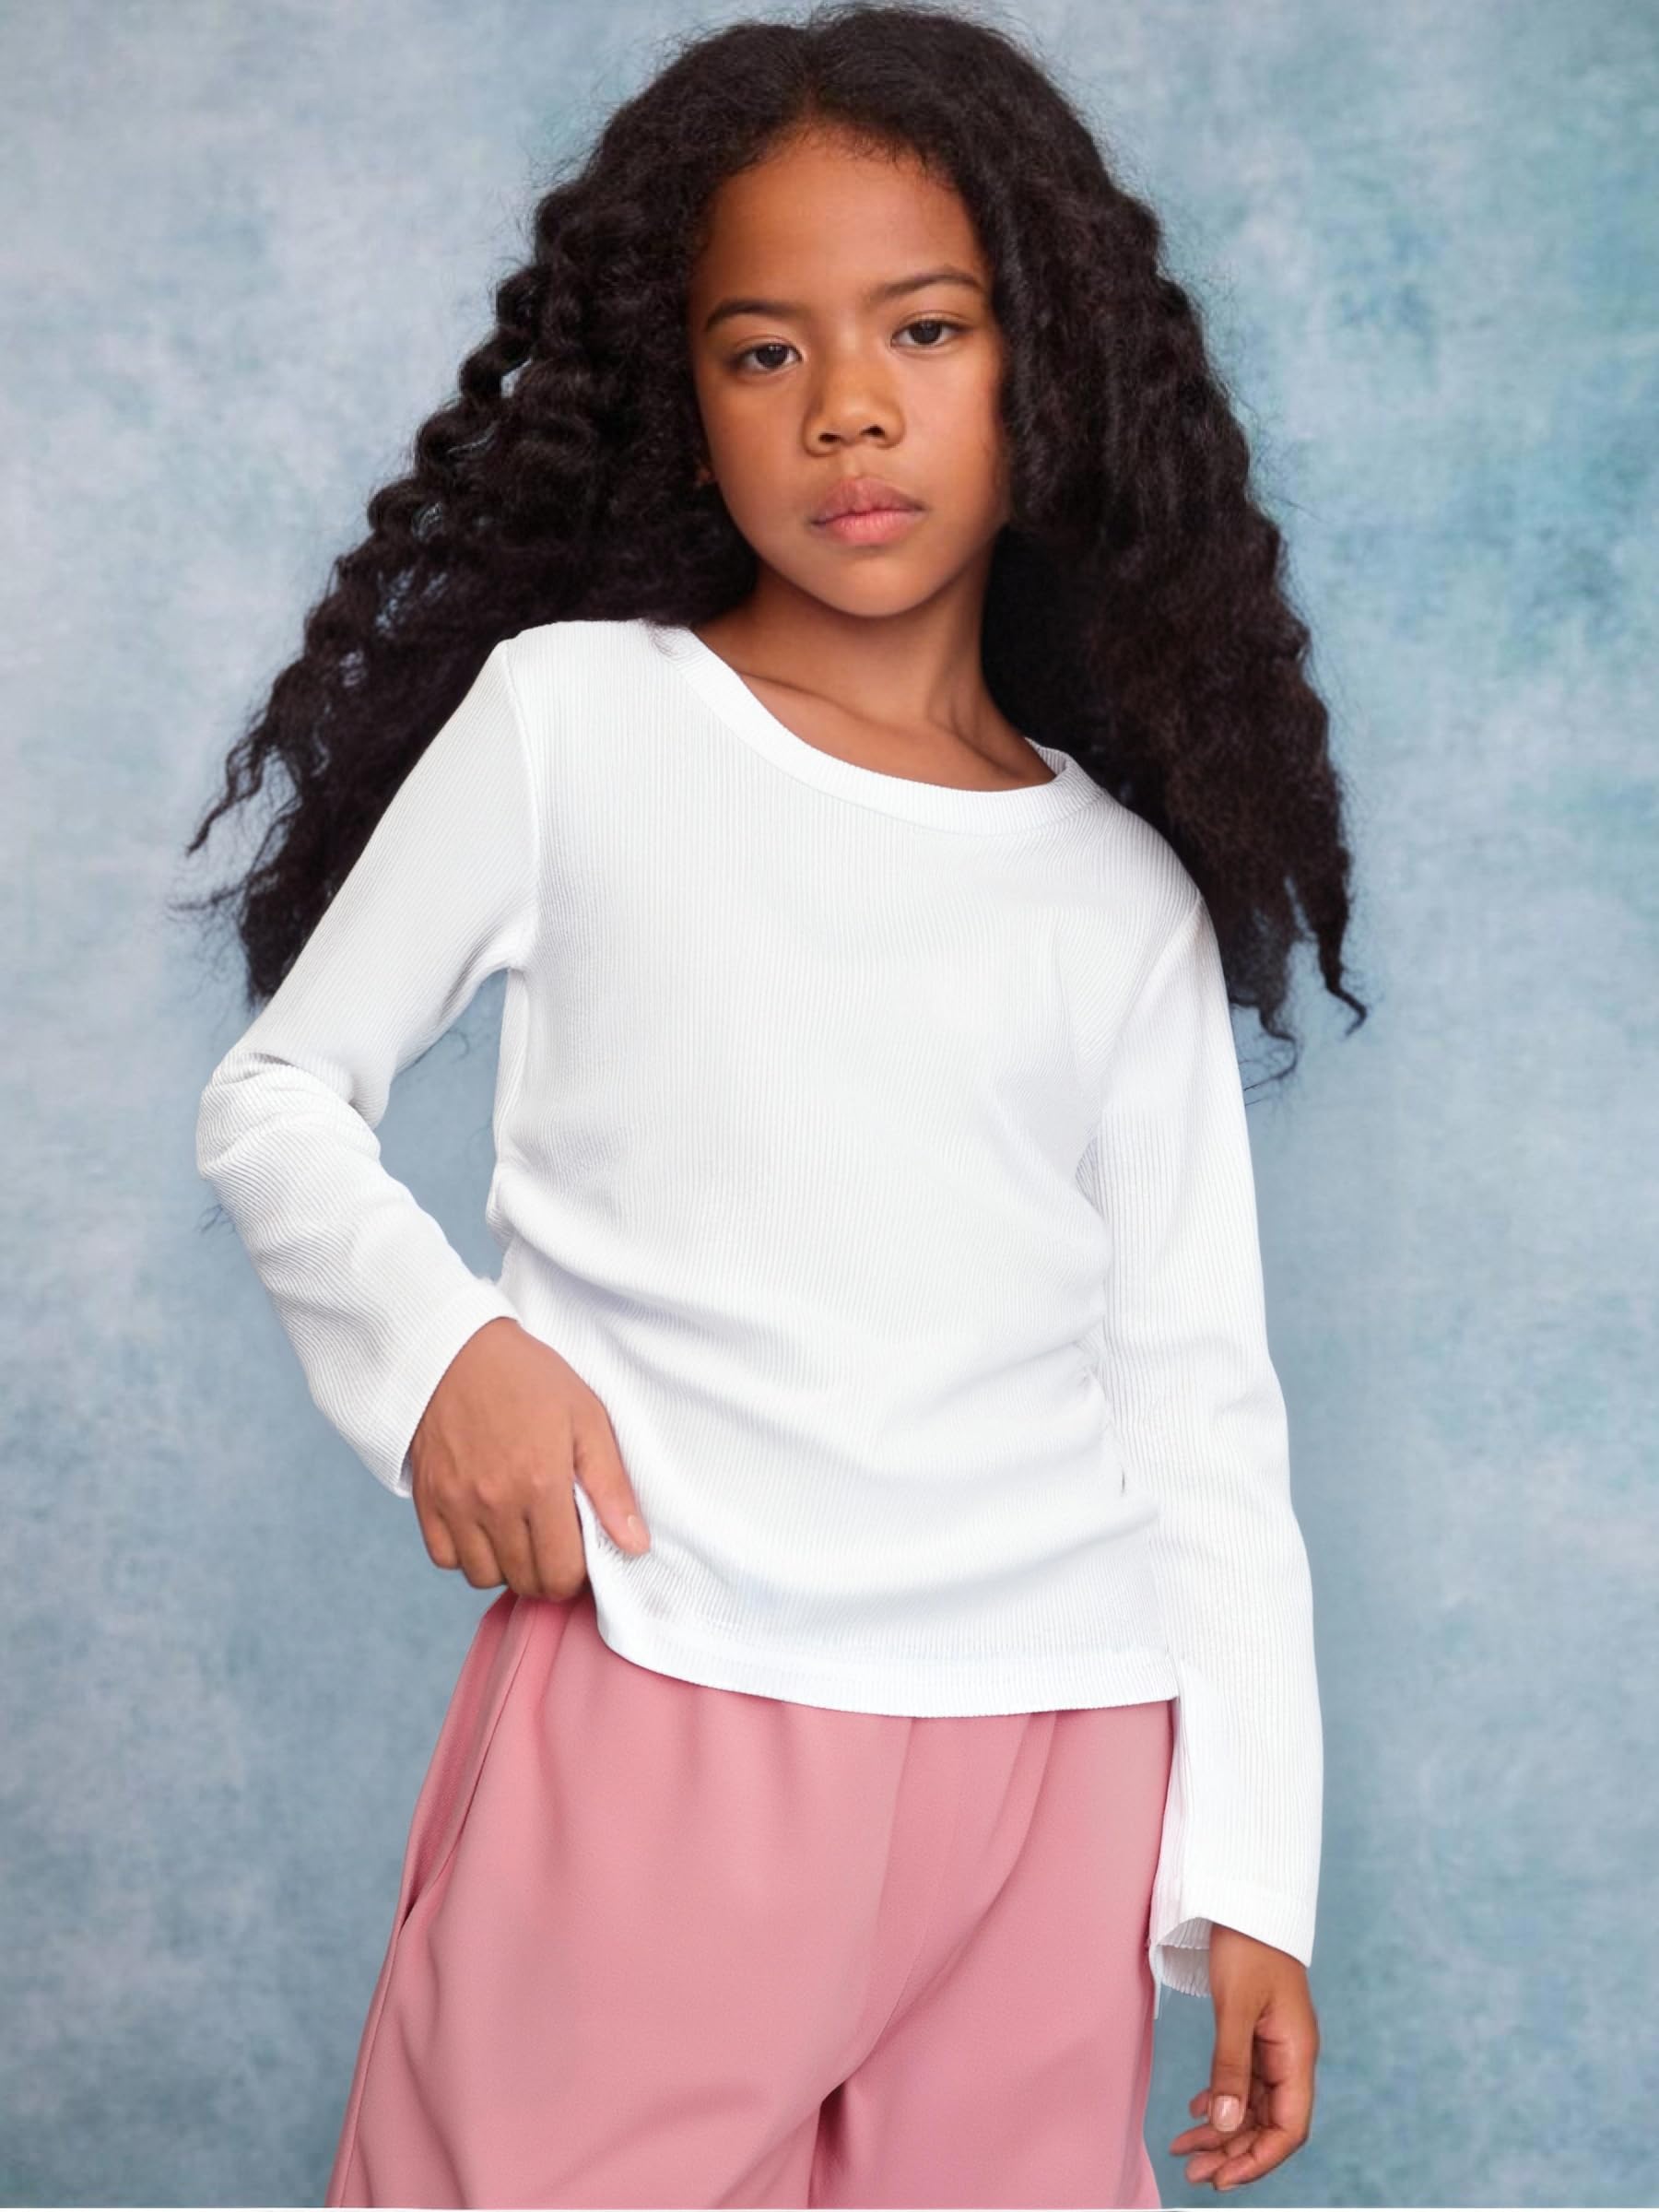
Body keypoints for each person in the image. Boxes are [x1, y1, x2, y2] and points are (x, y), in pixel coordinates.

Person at [184, 6, 1367, 2205]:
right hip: (669, 1688)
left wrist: (1253, 1878)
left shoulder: (1118, 891)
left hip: (1059, 1754)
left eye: (925, 327)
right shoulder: (579, 724)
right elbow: (277, 1099)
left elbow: (1201, 1403)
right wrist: (446, 1356)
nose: (848, 407)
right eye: (762, 351)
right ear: (686, 400)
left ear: (1044, 368)